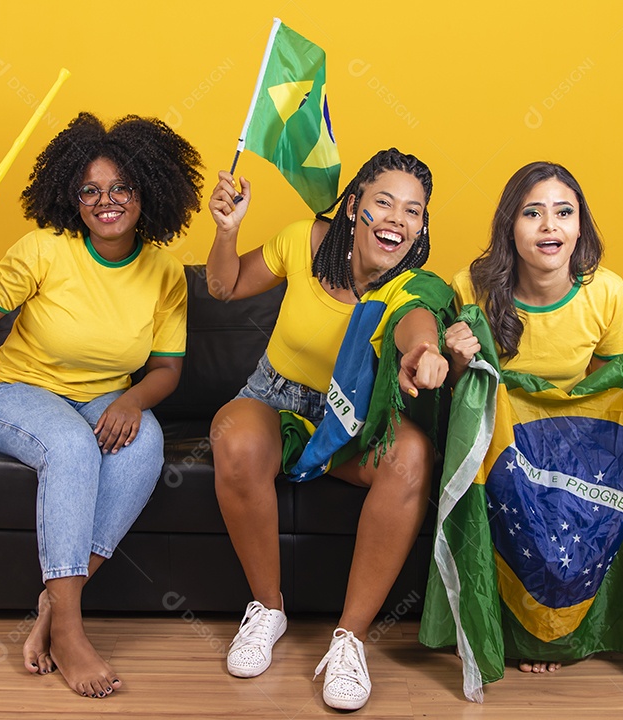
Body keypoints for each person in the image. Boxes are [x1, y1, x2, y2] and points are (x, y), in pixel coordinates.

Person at [0, 113, 204, 698]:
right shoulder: (44, 248)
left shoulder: (165, 272)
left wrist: (132, 401)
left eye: (121, 188)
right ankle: (71, 632)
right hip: (19, 394)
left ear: (147, 193)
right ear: (71, 198)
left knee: (146, 442)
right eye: (90, 190)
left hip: (105, 395)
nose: (106, 201)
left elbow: (166, 370)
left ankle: (53, 606)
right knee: (71, 445)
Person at [206, 149, 453, 711]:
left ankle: (350, 640)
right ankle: (267, 611)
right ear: (353, 205)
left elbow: (417, 322)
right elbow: (223, 287)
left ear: (421, 227)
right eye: (383, 202)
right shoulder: (303, 241)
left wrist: (425, 351)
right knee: (233, 437)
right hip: (276, 401)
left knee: (412, 455)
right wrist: (226, 231)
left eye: (412, 211)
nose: (396, 219)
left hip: (350, 424)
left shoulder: (409, 285)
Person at [445, 160, 623, 673]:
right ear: (510, 226)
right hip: (498, 439)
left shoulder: (606, 291)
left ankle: (555, 633)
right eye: (532, 213)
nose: (549, 225)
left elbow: (619, 389)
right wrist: (457, 358)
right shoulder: (470, 287)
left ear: (580, 225)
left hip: (573, 441)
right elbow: (455, 393)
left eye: (563, 212)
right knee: (511, 490)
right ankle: (513, 631)